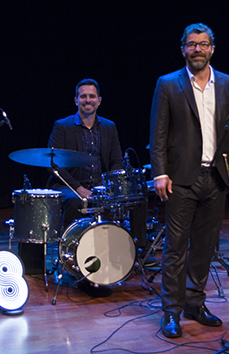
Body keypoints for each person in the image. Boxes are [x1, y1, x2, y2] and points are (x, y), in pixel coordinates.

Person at [150, 23, 229, 338]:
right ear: (183, 49)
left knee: (205, 247)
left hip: (218, 177)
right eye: (192, 44)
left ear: (212, 49)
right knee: (175, 248)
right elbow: (159, 133)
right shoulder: (167, 84)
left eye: (203, 44)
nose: (197, 49)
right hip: (180, 179)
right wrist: (160, 172)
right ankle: (171, 312)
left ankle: (194, 301)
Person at [47, 79, 149, 296]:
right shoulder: (62, 126)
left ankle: (137, 254)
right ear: (76, 100)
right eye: (83, 96)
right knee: (75, 201)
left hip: (101, 186)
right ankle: (75, 263)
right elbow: (54, 165)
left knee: (139, 198)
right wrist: (78, 187)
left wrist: (109, 185)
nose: (87, 100)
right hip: (70, 185)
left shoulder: (109, 127)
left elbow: (116, 162)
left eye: (92, 96)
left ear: (99, 101)